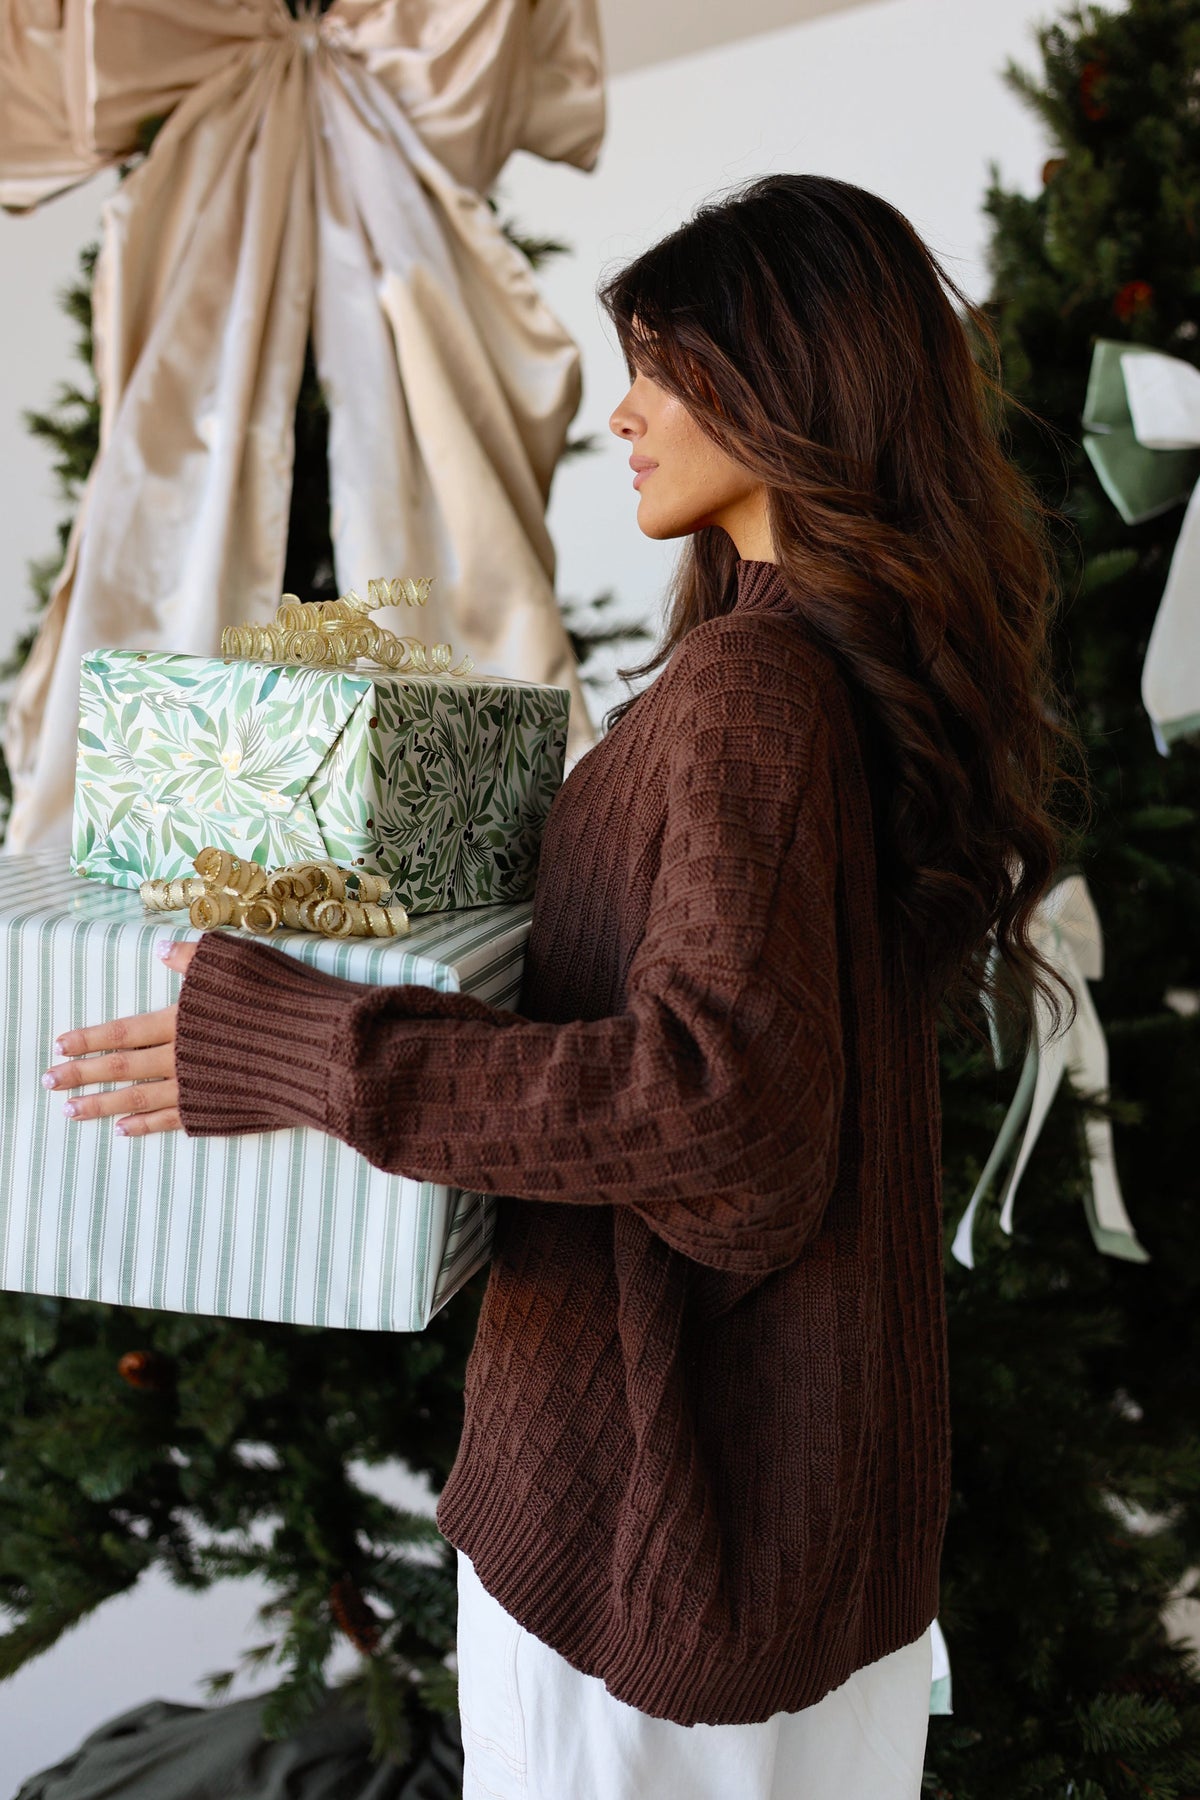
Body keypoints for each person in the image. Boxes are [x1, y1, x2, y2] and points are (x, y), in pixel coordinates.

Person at [45, 173, 1086, 1800]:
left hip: (661, 1547)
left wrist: (307, 1045)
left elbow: (718, 1112)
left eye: (663, 370)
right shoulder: (819, 670)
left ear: (786, 383)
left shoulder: (755, 690)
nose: (625, 414)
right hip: (787, 1527)